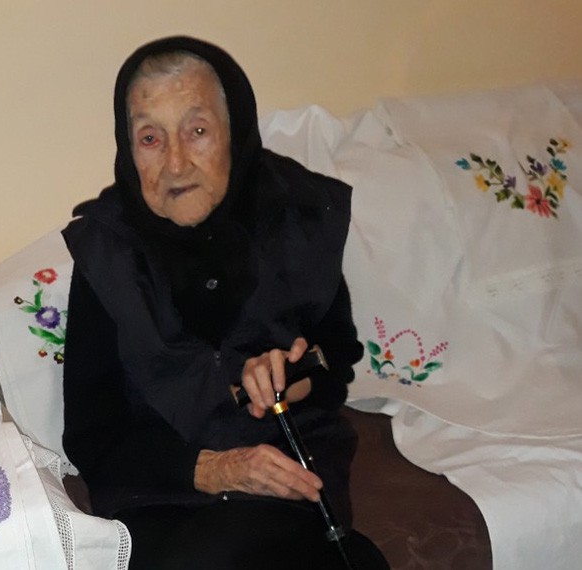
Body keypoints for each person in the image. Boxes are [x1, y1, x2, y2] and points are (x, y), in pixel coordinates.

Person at [61, 36, 388, 569]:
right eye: (150, 138)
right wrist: (215, 469)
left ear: (234, 132)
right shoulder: (108, 252)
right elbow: (92, 436)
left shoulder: (294, 213)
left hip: (287, 473)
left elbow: (334, 359)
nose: (175, 163)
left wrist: (287, 376)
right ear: (127, 149)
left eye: (197, 131)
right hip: (166, 495)